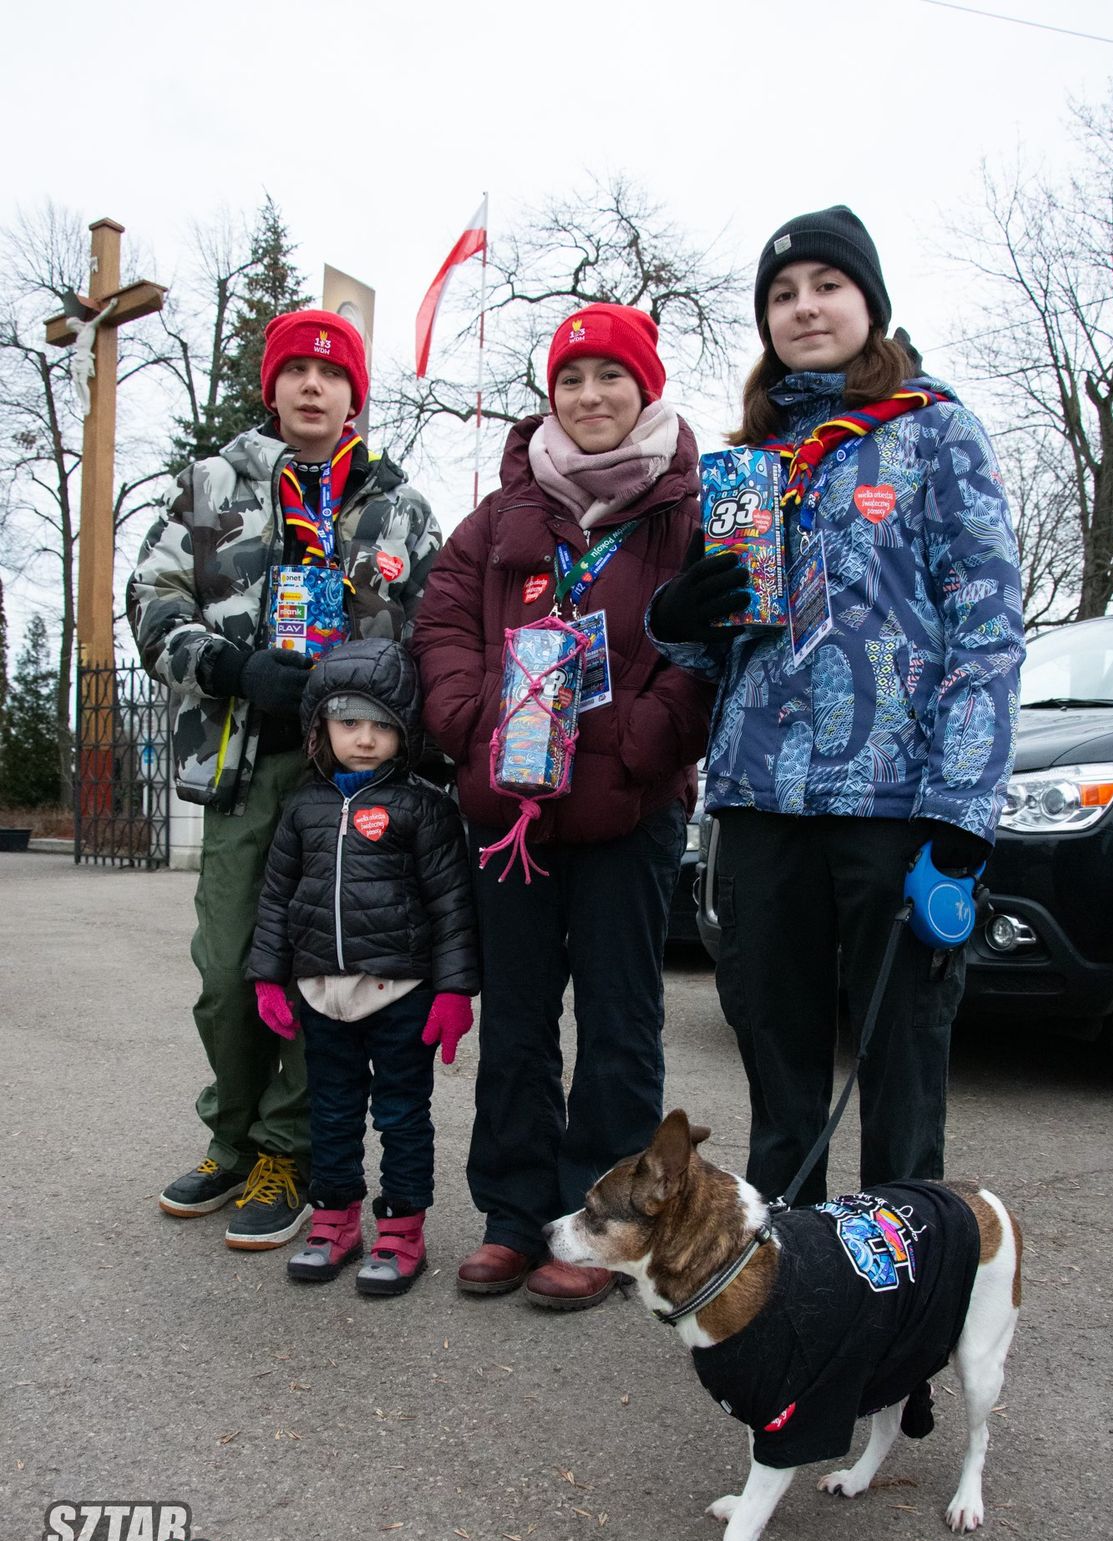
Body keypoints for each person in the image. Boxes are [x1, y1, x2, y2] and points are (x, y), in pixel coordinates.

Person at [649, 206, 1025, 1206]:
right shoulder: (746, 464)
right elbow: (712, 646)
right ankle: (790, 1298)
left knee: (900, 1072)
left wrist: (962, 817)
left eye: (826, 285)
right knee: (779, 1071)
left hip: (896, 808)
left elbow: (987, 630)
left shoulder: (936, 433)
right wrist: (676, 613)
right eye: (783, 293)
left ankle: (900, 1306)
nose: (805, 307)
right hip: (763, 803)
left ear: (870, 302)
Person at [412, 303, 711, 1310]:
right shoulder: (502, 517)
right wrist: (467, 720)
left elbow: (712, 645)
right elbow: (443, 623)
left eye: (610, 379)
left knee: (622, 1021)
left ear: (645, 389)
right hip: (515, 820)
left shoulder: (691, 508)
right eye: (570, 381)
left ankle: (608, 1228)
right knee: (520, 1023)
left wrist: (641, 741)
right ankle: (512, 1211)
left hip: (628, 809)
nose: (589, 398)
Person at [128, 310, 442, 1249]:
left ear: (356, 394)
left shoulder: (397, 506)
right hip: (245, 760)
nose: (314, 386)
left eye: (332, 373)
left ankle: (289, 1148)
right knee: (228, 971)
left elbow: (434, 632)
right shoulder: (210, 487)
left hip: (352, 779)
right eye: (297, 370)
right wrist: (228, 667)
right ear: (273, 387)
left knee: (321, 973)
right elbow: (151, 601)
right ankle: (230, 1134)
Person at [247, 638, 477, 1293]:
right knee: (332, 1113)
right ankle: (335, 1222)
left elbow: (451, 906)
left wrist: (454, 992)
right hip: (322, 995)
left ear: (405, 732)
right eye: (349, 723)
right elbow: (277, 897)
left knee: (403, 1115)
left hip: (400, 992)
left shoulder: (425, 807)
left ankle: (403, 1232)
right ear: (321, 725)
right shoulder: (302, 809)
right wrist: (268, 977)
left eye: (383, 726)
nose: (367, 739)